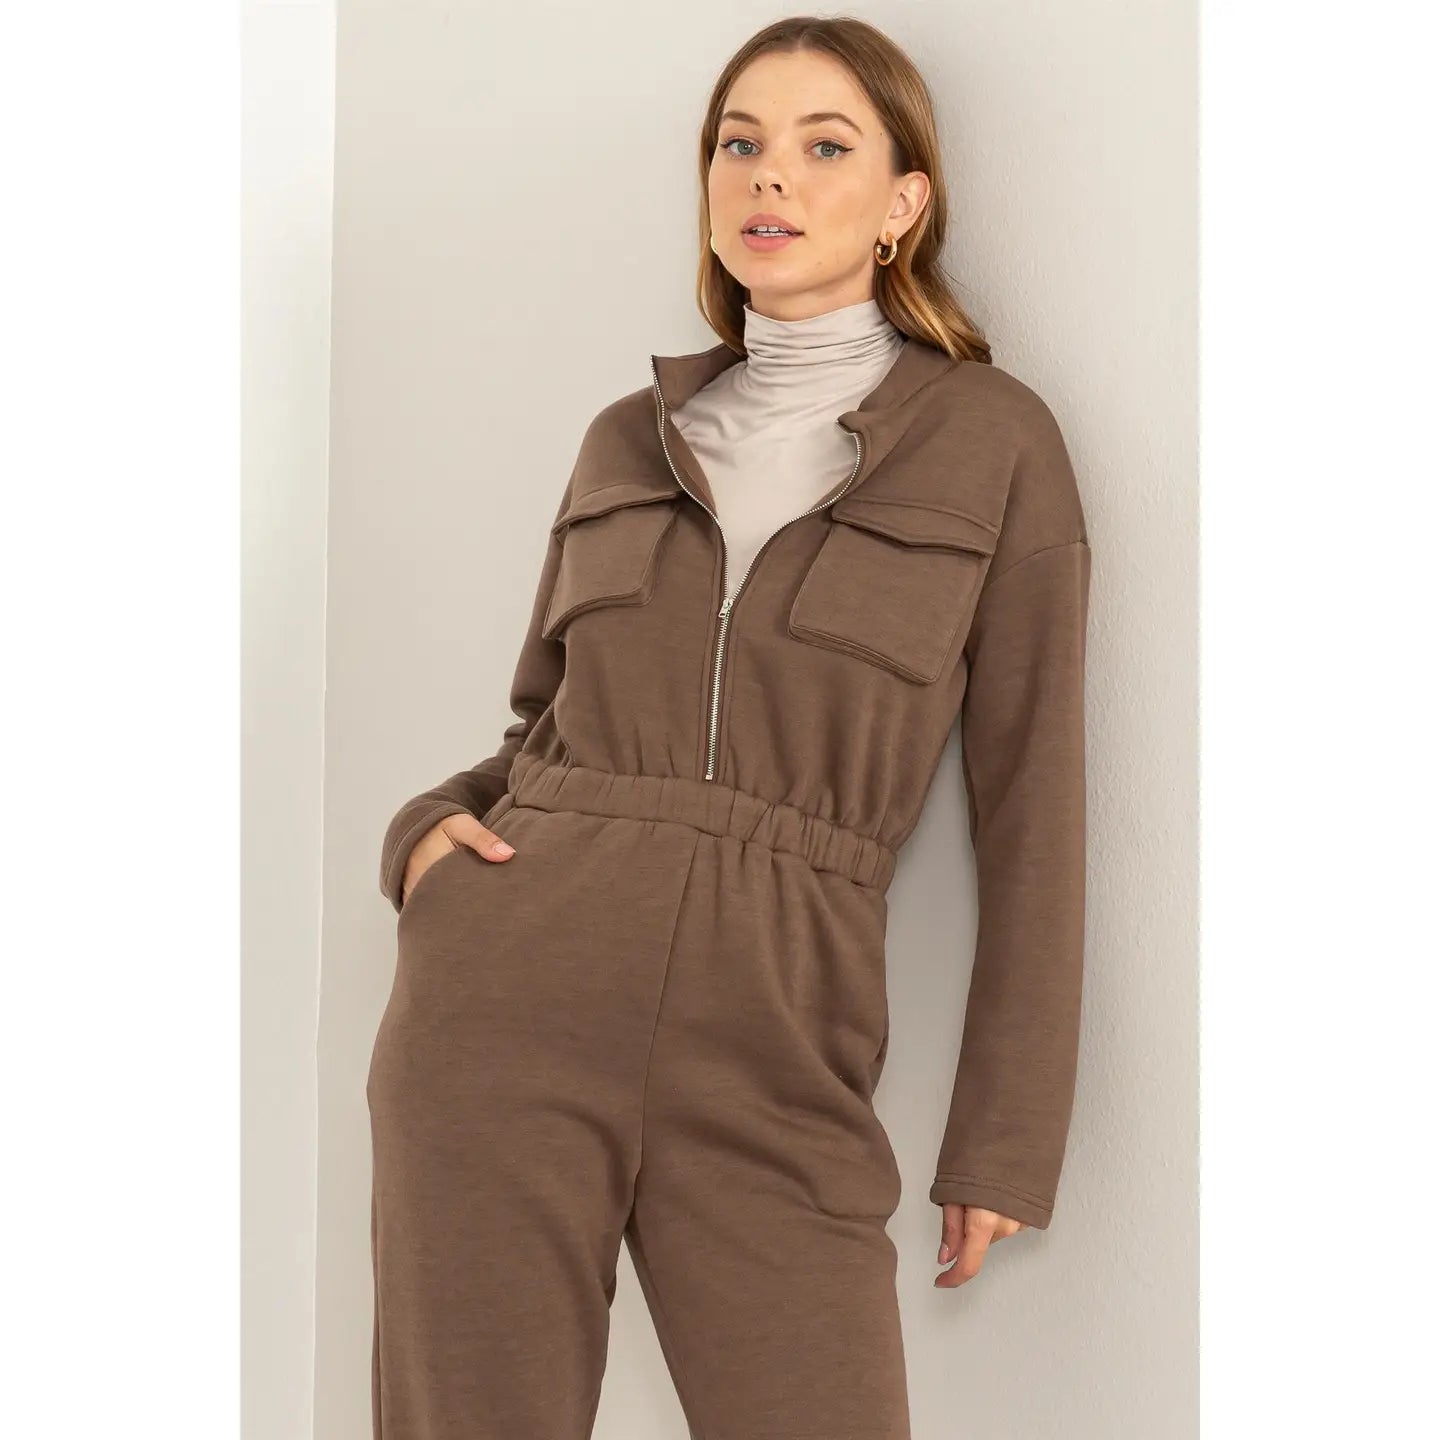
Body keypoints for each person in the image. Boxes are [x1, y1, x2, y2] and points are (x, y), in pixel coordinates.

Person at [366, 14, 1090, 1439]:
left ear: (902, 203)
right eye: (739, 143)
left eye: (825, 147)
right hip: (506, 1007)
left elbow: (1036, 804)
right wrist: (423, 838)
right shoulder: (625, 439)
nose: (771, 175)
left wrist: (1004, 1137)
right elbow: (543, 732)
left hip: (782, 1026)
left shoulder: (995, 440)